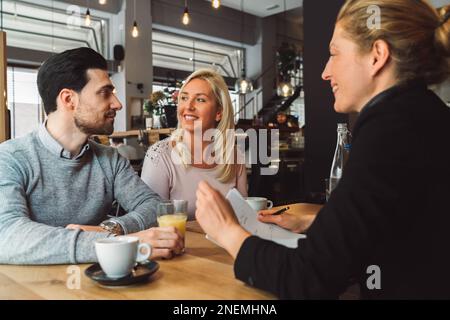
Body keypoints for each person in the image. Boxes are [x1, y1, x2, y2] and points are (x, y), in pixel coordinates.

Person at [195, 0, 450, 299]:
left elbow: (306, 278)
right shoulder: (425, 114)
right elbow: (408, 224)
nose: (325, 72)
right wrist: (324, 221)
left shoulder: (389, 128)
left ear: (377, 56)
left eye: (334, 54)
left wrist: (227, 231)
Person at [0, 47, 183, 265]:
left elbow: (153, 206)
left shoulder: (110, 159)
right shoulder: (10, 158)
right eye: (105, 92)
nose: (117, 103)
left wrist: (112, 229)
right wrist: (122, 244)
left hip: (101, 285)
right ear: (69, 99)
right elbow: (7, 234)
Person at [141, 69, 247, 219]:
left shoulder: (234, 155)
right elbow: (151, 219)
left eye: (200, 99)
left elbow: (243, 217)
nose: (188, 106)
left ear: (219, 113)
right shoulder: (160, 156)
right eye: (184, 98)